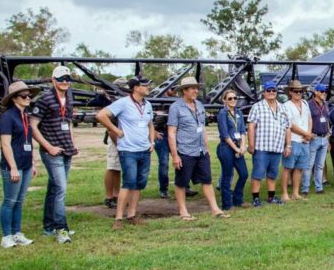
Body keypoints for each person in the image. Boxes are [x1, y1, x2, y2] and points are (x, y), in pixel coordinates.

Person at [97, 76, 156, 229]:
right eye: (145, 85)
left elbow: (150, 124)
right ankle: (118, 219)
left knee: (138, 184)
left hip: (144, 149)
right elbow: (101, 115)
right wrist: (116, 130)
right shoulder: (123, 103)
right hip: (128, 150)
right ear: (136, 87)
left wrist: (152, 142)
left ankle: (132, 214)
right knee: (128, 182)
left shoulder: (148, 104)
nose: (148, 87)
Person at [30, 65, 79, 243]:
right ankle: (61, 228)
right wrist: (48, 146)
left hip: (66, 149)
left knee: (54, 189)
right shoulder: (45, 99)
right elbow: (33, 126)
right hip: (52, 152)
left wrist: (72, 143)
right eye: (61, 79)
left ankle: (48, 227)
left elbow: (69, 122)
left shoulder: (69, 98)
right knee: (61, 190)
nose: (65, 82)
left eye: (67, 79)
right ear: (53, 80)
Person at [167, 77, 227, 220]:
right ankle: (183, 211)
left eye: (196, 88)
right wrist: (175, 155)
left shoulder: (199, 105)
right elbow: (171, 132)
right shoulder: (176, 107)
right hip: (185, 151)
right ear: (184, 91)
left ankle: (215, 209)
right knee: (182, 182)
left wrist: (206, 148)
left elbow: (203, 129)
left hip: (201, 150)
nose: (196, 91)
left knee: (207, 180)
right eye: (192, 88)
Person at [0, 81, 39, 248]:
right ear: (14, 98)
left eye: (29, 95)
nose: (28, 98)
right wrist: (13, 167)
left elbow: (27, 140)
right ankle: (6, 235)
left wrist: (33, 162)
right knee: (10, 200)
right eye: (24, 96)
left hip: (26, 163)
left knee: (20, 200)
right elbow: (6, 144)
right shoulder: (7, 117)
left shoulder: (25, 116)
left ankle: (17, 232)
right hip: (13, 165)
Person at [248, 80, 292, 207]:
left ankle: (271, 197)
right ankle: (255, 198)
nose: (271, 93)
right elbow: (251, 127)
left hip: (277, 147)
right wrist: (251, 145)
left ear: (276, 92)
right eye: (269, 90)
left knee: (272, 173)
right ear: (264, 93)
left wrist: (288, 145)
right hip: (261, 147)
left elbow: (287, 128)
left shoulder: (283, 108)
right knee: (258, 173)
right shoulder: (257, 107)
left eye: (274, 90)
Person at [216, 89, 249, 210]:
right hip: (226, 148)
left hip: (237, 147)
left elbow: (242, 131)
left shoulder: (238, 112)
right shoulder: (222, 114)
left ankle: (237, 199)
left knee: (244, 174)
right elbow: (225, 134)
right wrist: (235, 148)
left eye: (235, 98)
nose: (233, 100)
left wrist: (242, 146)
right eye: (230, 98)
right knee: (227, 175)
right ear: (224, 100)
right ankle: (227, 204)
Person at [281, 80, 312, 201]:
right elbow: (290, 125)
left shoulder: (305, 103)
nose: (299, 93)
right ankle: (284, 193)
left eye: (301, 91)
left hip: (305, 141)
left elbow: (309, 119)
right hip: (293, 140)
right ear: (290, 92)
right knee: (287, 167)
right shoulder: (286, 106)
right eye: (296, 91)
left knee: (300, 168)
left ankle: (295, 192)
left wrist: (308, 134)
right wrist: (306, 134)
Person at [102, 78, 126, 210]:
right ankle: (109, 196)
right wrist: (117, 143)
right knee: (112, 167)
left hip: (122, 138)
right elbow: (110, 127)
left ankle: (116, 195)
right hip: (115, 138)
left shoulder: (122, 103)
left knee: (118, 169)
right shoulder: (113, 104)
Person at [304, 83, 331, 195]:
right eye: (321, 91)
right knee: (309, 165)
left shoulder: (326, 104)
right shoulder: (309, 104)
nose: (323, 93)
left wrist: (328, 137)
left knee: (320, 165)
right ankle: (305, 188)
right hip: (313, 138)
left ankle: (318, 187)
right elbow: (305, 121)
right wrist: (307, 134)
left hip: (324, 138)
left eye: (324, 91)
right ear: (316, 92)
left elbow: (328, 120)